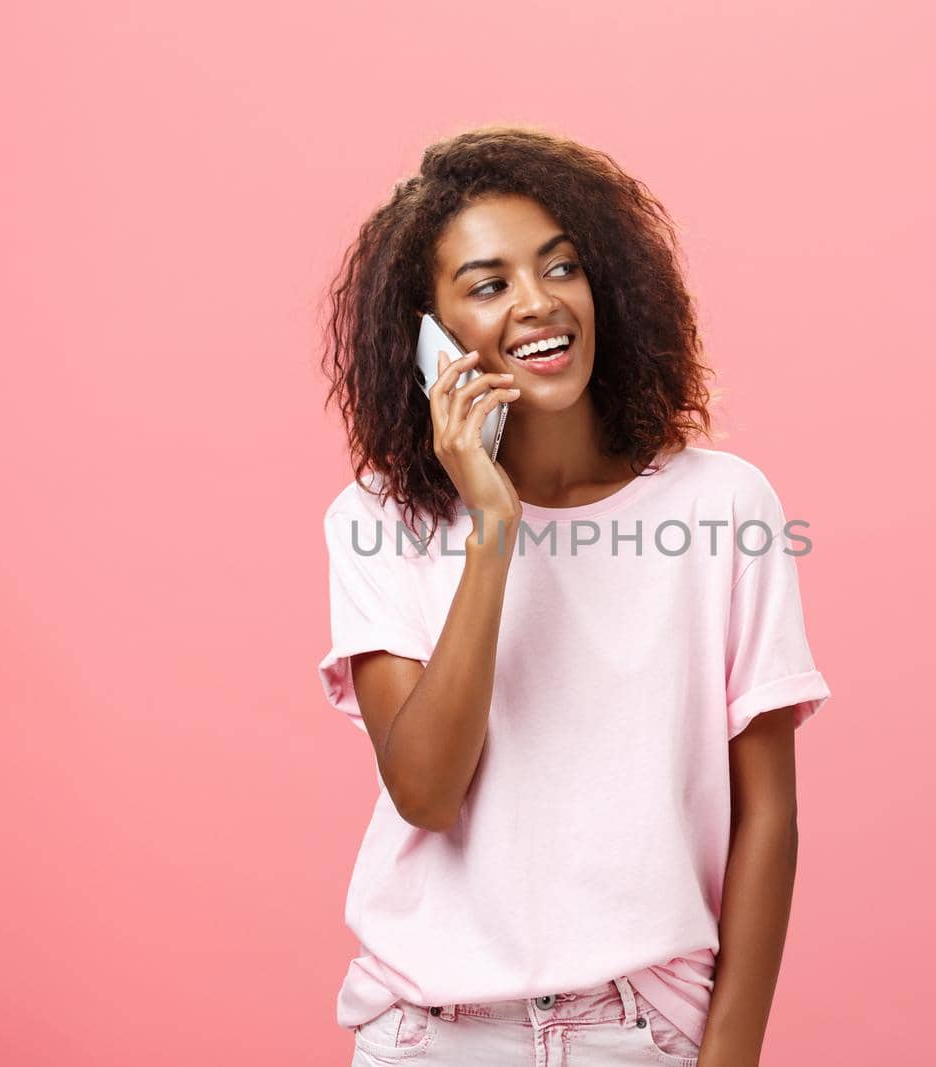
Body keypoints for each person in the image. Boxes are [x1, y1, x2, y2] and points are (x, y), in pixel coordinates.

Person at [316, 125, 831, 1066]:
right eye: (488, 284)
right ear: (426, 338)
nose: (538, 302)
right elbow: (426, 790)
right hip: (433, 1037)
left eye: (562, 267)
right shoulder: (377, 519)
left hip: (642, 1031)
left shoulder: (723, 505)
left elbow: (769, 817)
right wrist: (493, 528)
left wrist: (730, 1058)